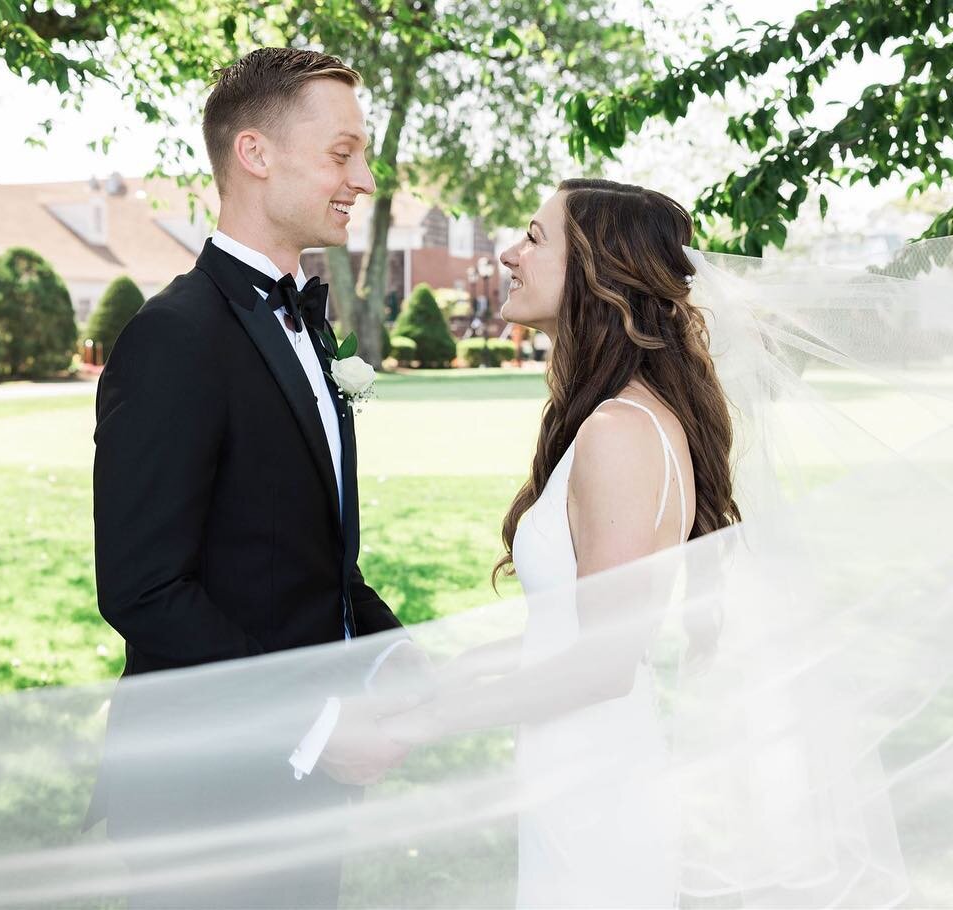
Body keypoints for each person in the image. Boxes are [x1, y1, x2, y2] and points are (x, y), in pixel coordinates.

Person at [88, 47, 423, 908]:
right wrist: (312, 726)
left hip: (307, 788)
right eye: (342, 152)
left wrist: (403, 660)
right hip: (207, 796)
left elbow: (316, 562)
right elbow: (146, 589)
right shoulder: (174, 338)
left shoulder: (308, 327)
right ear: (255, 154)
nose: (363, 177)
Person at [377, 179, 742, 906]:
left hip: (595, 790)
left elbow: (601, 664)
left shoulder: (619, 432)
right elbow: (571, 632)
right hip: (576, 772)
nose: (509, 254)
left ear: (598, 272)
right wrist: (447, 675)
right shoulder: (619, 419)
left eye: (534, 239)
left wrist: (422, 726)